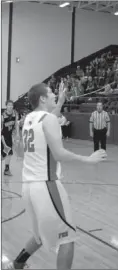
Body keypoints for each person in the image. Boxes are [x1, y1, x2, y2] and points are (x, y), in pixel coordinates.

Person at [5, 83, 107, 270]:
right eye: (51, 93)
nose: (54, 95)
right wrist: (88, 159)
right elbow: (59, 154)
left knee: (40, 235)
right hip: (47, 185)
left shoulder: (30, 118)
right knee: (67, 238)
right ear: (42, 99)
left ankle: (16, 264)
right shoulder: (48, 120)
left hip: (28, 186)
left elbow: (48, 120)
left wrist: (60, 101)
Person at [1, 100, 20, 175]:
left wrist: (18, 134)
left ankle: (6, 169)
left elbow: (16, 125)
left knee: (9, 153)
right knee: (4, 155)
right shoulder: (2, 115)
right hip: (2, 136)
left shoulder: (15, 114)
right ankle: (6, 169)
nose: (10, 106)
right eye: (9, 105)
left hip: (9, 136)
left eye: (11, 105)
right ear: (6, 106)